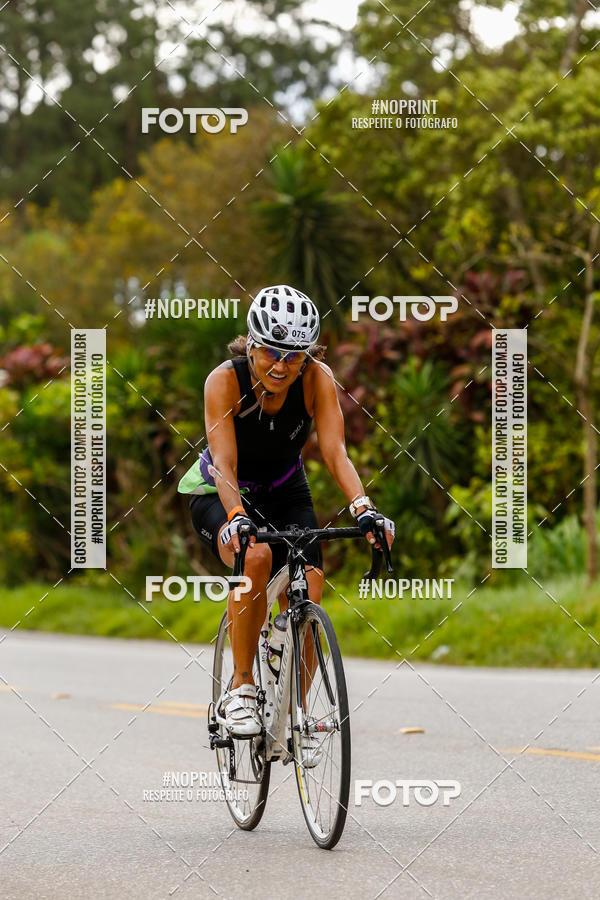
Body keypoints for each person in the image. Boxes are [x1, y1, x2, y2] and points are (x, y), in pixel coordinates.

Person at [178, 284, 394, 758]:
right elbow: (226, 464)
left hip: (284, 489)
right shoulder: (224, 381)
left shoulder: (316, 378)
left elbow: (335, 452)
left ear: (308, 354)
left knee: (312, 581)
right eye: (271, 353)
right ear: (250, 344)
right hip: (221, 490)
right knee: (253, 555)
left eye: (294, 357)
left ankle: (290, 715)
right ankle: (241, 688)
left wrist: (363, 508)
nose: (281, 366)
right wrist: (236, 518)